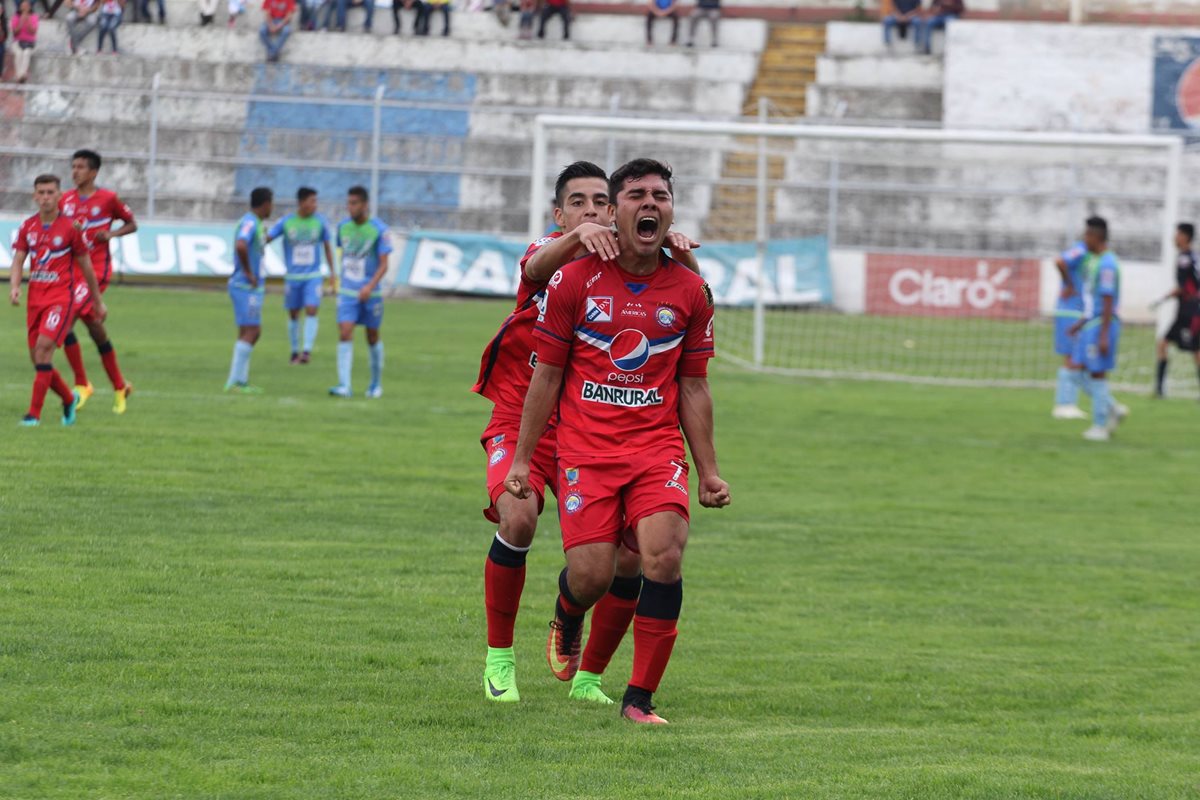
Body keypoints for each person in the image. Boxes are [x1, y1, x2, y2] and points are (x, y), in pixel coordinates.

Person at [505, 158, 730, 724]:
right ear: (616, 208)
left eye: (661, 195)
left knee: (664, 555)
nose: (650, 203)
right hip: (586, 452)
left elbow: (695, 387)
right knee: (592, 576)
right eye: (636, 194)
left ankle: (639, 699)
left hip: (655, 450)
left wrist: (707, 472)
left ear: (671, 208)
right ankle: (568, 606)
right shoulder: (574, 279)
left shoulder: (690, 288)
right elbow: (547, 376)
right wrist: (526, 459)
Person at [8, 174, 104, 427]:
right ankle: (67, 398)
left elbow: (86, 266)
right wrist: (15, 287)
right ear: (34, 196)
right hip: (35, 300)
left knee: (42, 350)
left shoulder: (72, 228)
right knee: (38, 361)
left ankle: (33, 415)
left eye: (51, 192)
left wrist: (97, 301)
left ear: (60, 196)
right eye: (41, 192)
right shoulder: (27, 227)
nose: (46, 197)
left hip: (61, 299)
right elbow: (18, 260)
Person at [58, 149, 137, 413]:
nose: (75, 171)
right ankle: (119, 385)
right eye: (73, 166)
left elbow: (132, 223)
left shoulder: (108, 199)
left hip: (96, 269)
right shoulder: (65, 199)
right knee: (94, 328)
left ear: (93, 172)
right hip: (70, 270)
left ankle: (82, 384)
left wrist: (111, 234)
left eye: (81, 167)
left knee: (64, 322)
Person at [329, 186, 391, 399]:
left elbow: (384, 264)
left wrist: (369, 286)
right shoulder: (343, 227)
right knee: (345, 332)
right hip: (347, 292)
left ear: (365, 205)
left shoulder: (379, 230)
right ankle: (344, 385)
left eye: (354, 203)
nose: (350, 207)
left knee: (372, 336)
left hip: (370, 294)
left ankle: (375, 384)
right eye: (348, 203)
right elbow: (343, 254)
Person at [1067, 217, 1125, 442]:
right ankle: (1112, 408)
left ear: (1097, 237)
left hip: (1102, 324)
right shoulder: (1094, 261)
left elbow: (1108, 300)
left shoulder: (1108, 264)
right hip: (1091, 324)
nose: (1084, 239)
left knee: (1097, 374)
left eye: (1087, 235)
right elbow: (1094, 300)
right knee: (1074, 370)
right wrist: (1079, 323)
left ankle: (1100, 427)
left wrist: (1103, 334)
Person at [266, 186, 334, 364]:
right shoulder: (287, 222)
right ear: (301, 202)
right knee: (294, 314)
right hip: (293, 277)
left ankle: (307, 352)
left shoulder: (320, 222)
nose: (315, 205)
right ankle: (294, 351)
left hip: (313, 276)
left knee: (312, 310)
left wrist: (333, 273)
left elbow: (327, 247)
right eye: (312, 201)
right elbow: (268, 238)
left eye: (316, 201)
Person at [225, 187, 273, 394]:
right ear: (265, 204)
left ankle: (240, 381)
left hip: (247, 286)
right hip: (245, 286)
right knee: (254, 331)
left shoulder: (256, 223)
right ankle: (234, 381)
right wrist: (249, 272)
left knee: (246, 331)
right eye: (272, 203)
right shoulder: (250, 222)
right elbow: (241, 245)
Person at [1153, 223, 1200, 398]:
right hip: (1187, 310)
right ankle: (1159, 390)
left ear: (1185, 236)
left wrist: (1163, 298)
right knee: (1163, 344)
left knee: (1195, 350)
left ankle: (1159, 389)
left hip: (1189, 311)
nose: (1175, 237)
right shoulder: (1193, 256)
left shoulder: (1184, 259)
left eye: (1178, 234)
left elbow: (1183, 288)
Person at [1050, 234, 1088, 420]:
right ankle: (1064, 405)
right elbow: (1059, 261)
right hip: (1070, 310)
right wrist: (1070, 285)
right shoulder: (1081, 250)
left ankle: (1067, 403)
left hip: (1075, 311)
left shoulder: (1087, 254)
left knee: (1076, 357)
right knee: (1072, 357)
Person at [11, 1, 37, 84]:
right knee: (18, 53)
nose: (25, 8)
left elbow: (33, 32)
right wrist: (21, 22)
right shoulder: (15, 17)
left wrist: (28, 21)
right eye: (23, 6)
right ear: (20, 7)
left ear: (30, 8)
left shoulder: (34, 17)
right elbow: (15, 33)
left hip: (29, 43)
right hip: (17, 42)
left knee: (26, 53)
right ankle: (21, 76)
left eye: (26, 6)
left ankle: (20, 76)